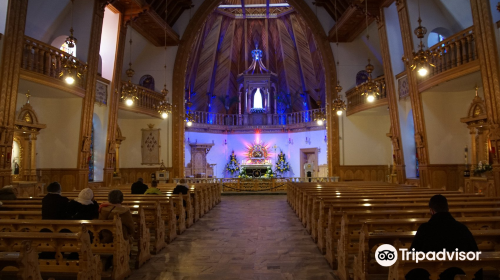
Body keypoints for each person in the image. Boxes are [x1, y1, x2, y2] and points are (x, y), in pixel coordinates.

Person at [407, 195, 480, 280]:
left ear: (431, 211)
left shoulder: (424, 229)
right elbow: (475, 255)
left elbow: (412, 256)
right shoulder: (462, 228)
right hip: (458, 275)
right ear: (448, 209)